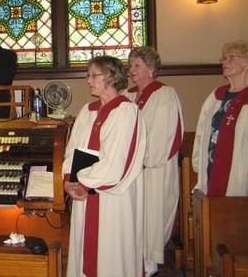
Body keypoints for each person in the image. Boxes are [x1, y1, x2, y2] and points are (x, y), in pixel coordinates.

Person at [62, 56, 146, 277]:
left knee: (111, 253)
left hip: (111, 198)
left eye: (93, 75)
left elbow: (117, 160)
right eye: (87, 75)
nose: (88, 80)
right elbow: (72, 150)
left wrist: (83, 183)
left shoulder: (126, 111)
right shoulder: (87, 110)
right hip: (84, 194)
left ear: (110, 77)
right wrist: (69, 181)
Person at [125, 46, 184, 277]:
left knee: (152, 213)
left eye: (136, 65)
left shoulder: (165, 95)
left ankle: (149, 262)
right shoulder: (128, 96)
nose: (131, 70)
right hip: (131, 169)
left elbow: (163, 134)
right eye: (130, 66)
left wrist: (141, 159)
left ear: (151, 68)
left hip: (154, 168)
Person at [192, 39, 248, 196]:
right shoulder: (217, 96)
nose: (225, 61)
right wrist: (198, 162)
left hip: (239, 169)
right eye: (223, 58)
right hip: (212, 164)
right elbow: (202, 131)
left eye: (231, 57)